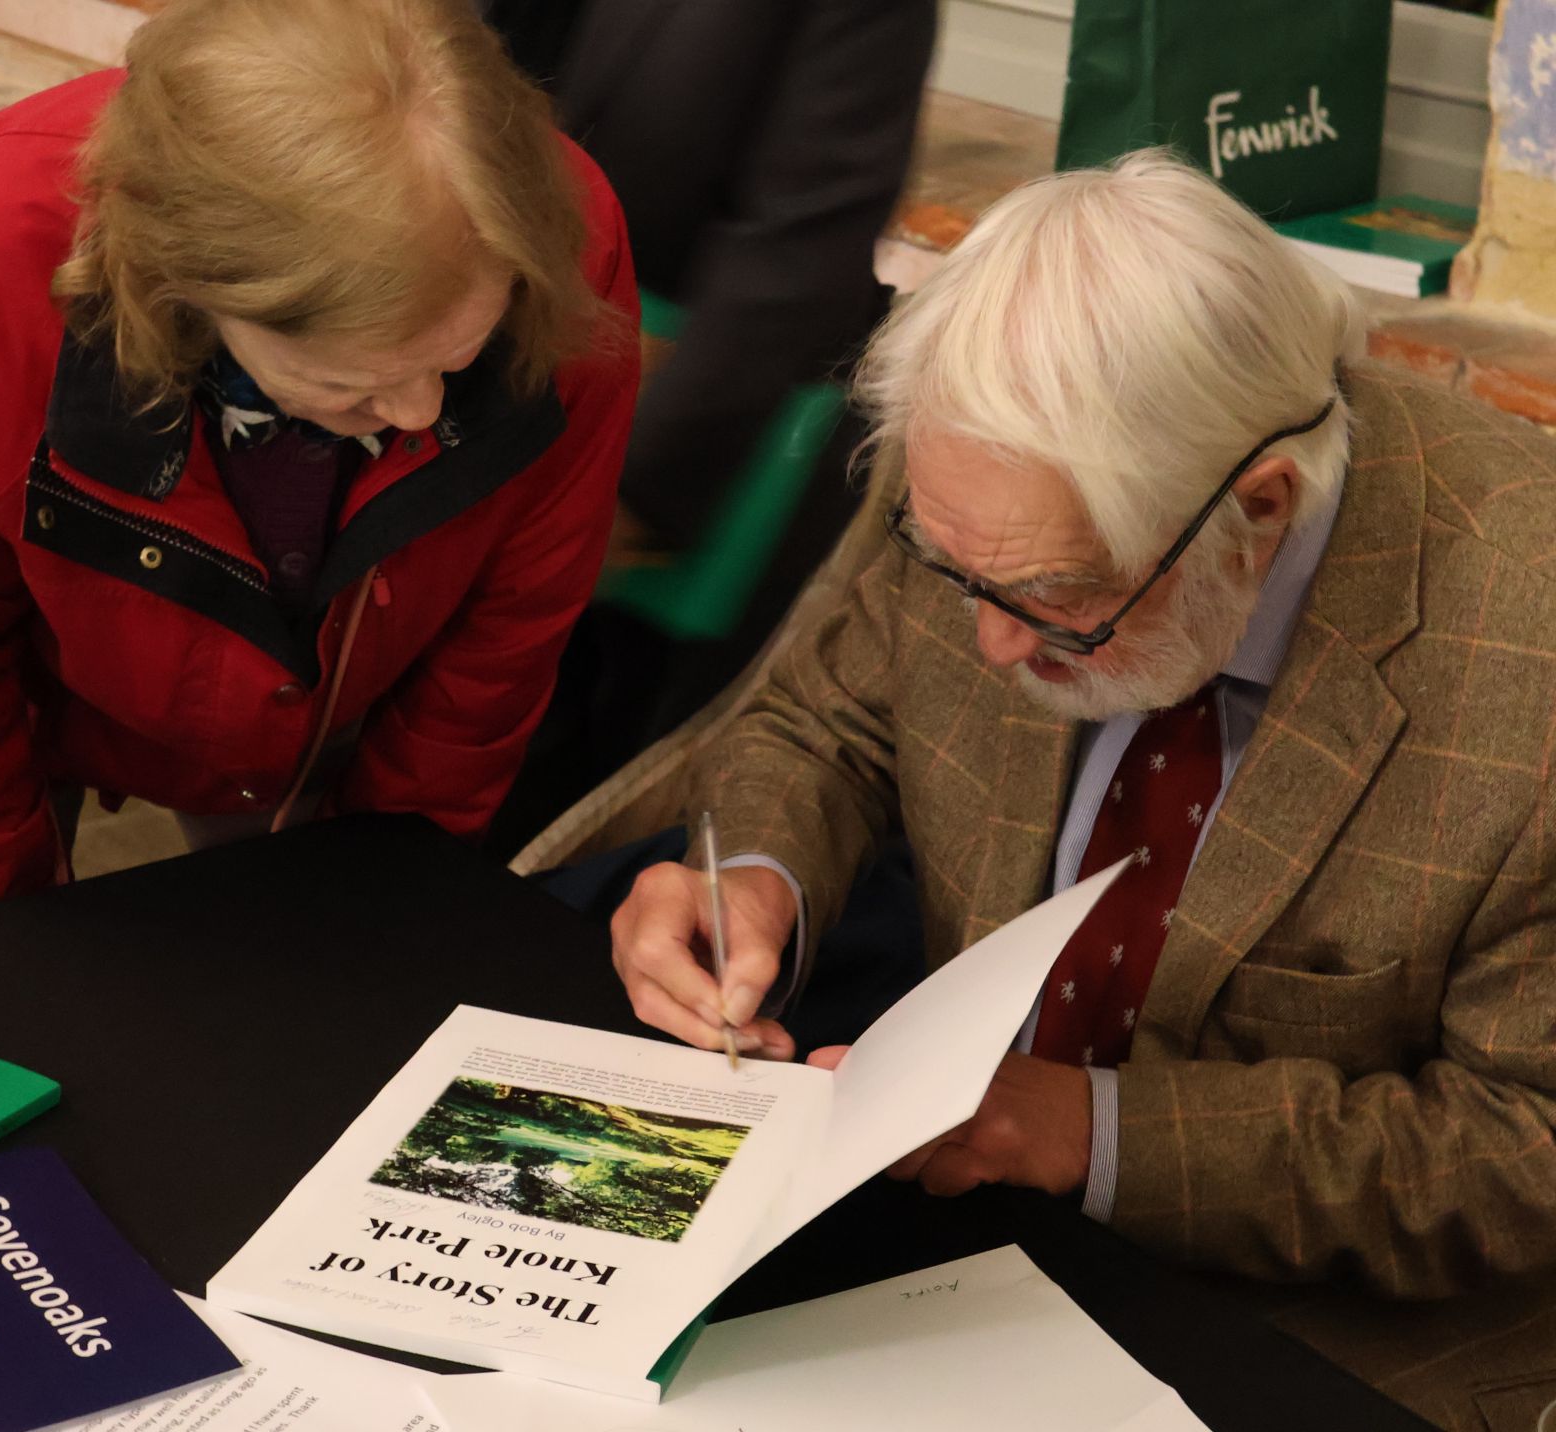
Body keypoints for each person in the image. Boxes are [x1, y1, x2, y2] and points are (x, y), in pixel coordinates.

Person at [607, 151, 1556, 1425]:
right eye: (962, 580)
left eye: (1056, 601)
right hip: (962, 1242)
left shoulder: (1527, 671)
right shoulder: (990, 484)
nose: (991, 644)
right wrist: (754, 877)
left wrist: (1092, 1132)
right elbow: (828, 718)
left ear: (1260, 508)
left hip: (1329, 1328)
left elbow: (1521, 1150)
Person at [0, 0, 639, 924]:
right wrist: (0, 945)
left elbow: (499, 644)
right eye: (353, 386)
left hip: (332, 700)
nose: (421, 413)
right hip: (17, 688)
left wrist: (378, 900)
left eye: (459, 361)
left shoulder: (559, 241)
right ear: (186, 288)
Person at [483, 0, 938, 851]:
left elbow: (800, 245)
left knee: (591, 805)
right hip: (487, 380)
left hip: (682, 453)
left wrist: (626, 491)